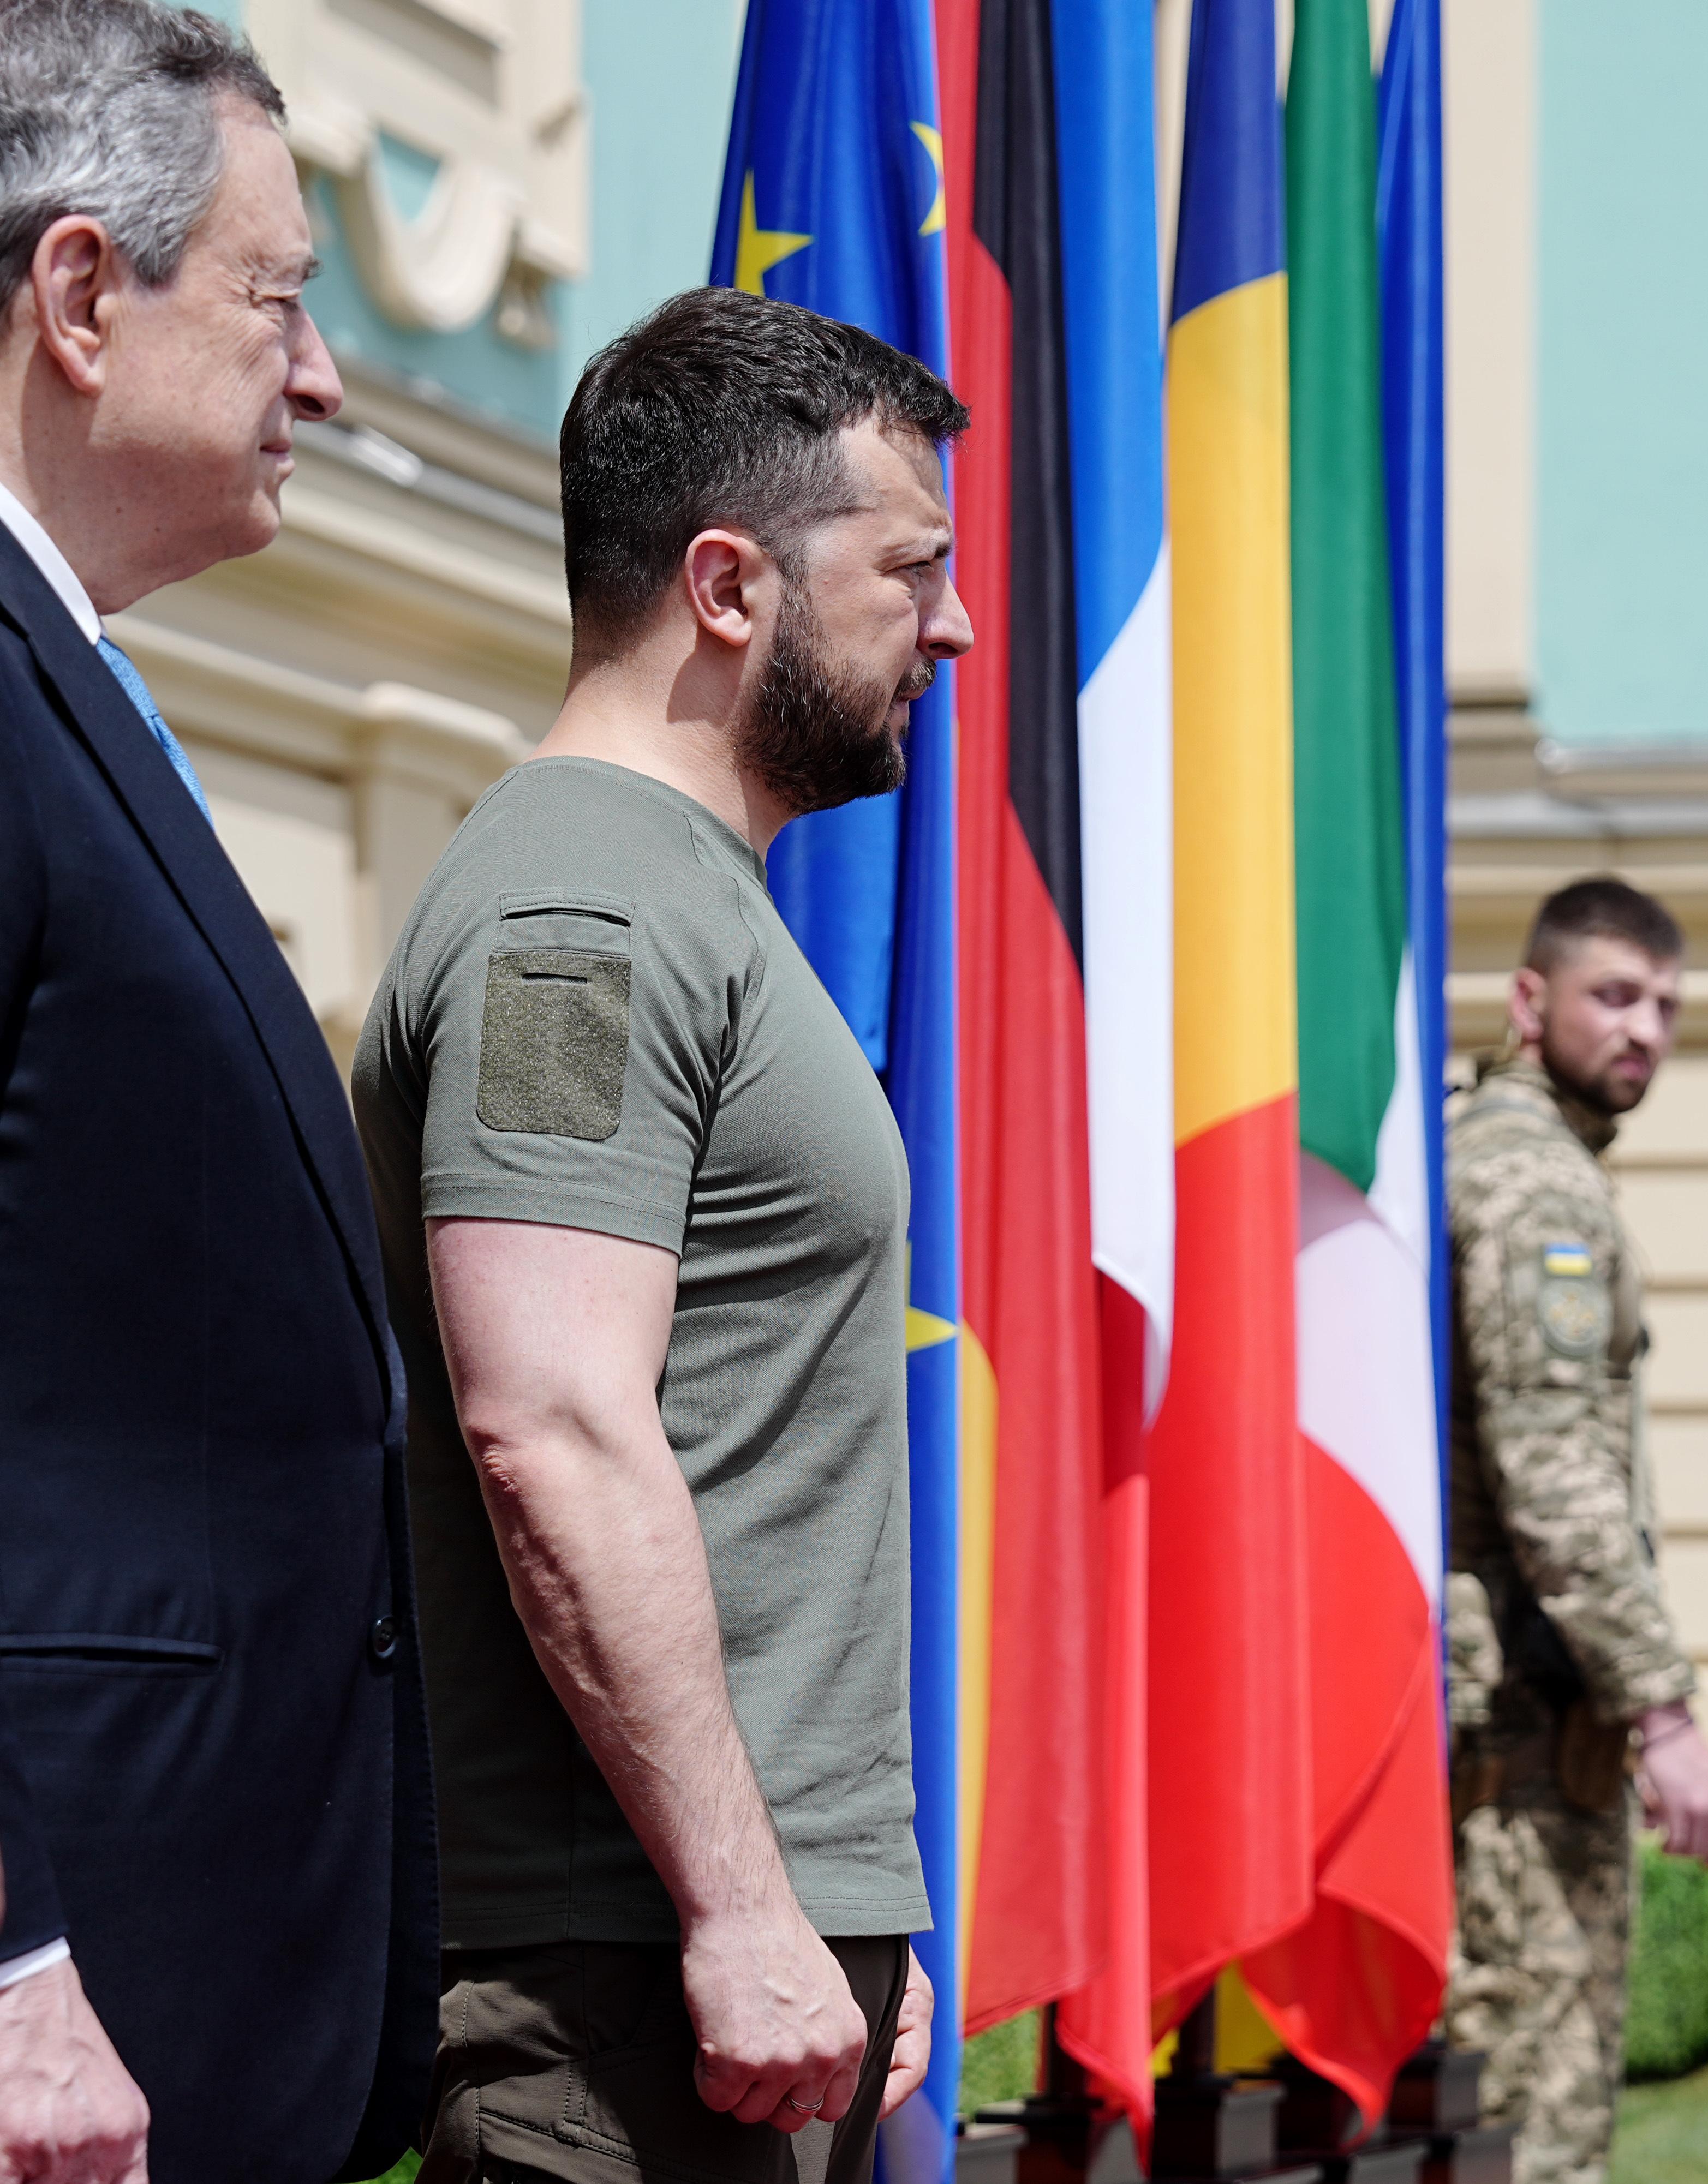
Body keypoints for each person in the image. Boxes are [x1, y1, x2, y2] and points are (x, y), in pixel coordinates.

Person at [347, 287, 972, 2182]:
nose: (947, 622)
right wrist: (743, 1905)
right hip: (625, 1994)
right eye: (909, 566)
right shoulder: (580, 919)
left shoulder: (671, 895)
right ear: (727, 584)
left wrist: (838, 1881)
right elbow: (552, 1423)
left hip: (703, 1970)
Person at [0, 4, 438, 2176]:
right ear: (84, 294)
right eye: (279, 296)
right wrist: (4, 1961)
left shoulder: (75, 681)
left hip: (199, 1987)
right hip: (68, 1997)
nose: (328, 373)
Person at [1443, 878, 1708, 2184]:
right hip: (1519, 1713)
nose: (1646, 1032)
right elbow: (1554, 1469)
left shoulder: (1472, 1153)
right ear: (1528, 1001)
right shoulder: (1536, 1191)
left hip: (1486, 1703)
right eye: (1613, 995)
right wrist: (1663, 1712)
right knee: (1533, 2110)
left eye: (1665, 1005)